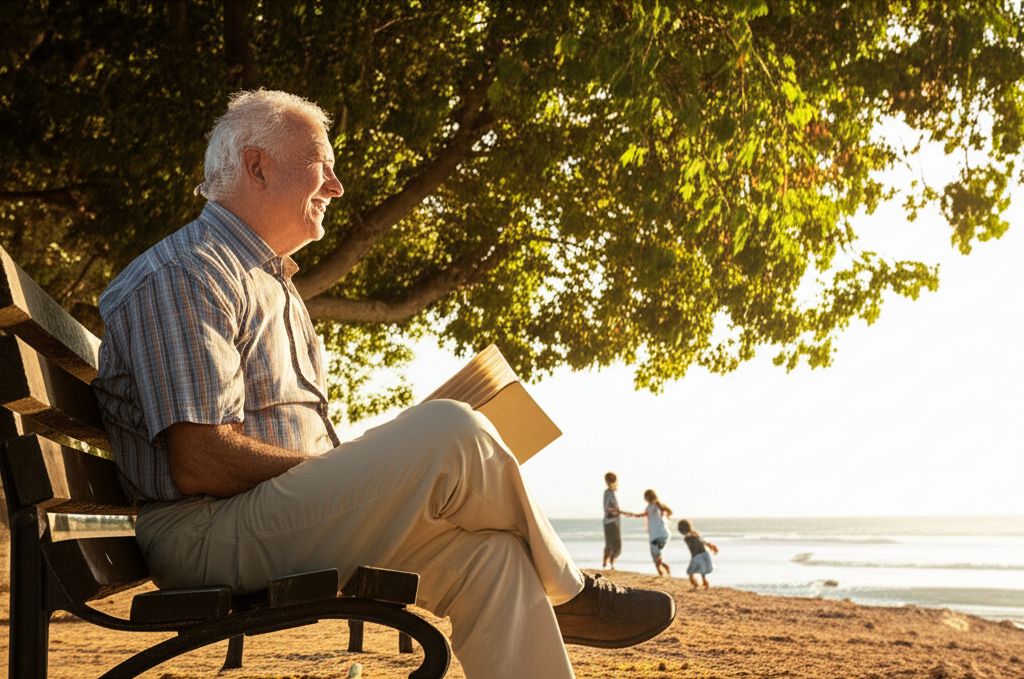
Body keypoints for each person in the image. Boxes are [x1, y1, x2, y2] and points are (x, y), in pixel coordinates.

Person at [91, 89, 675, 678]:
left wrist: (363, 468)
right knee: (451, 428)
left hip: (269, 520)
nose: (338, 187)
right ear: (258, 166)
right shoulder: (189, 272)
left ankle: (555, 597)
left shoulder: (269, 281)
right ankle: (571, 595)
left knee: (491, 557)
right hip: (207, 534)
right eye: (323, 166)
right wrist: (357, 469)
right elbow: (201, 460)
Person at [678, 519, 719, 590]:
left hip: (698, 556)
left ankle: (697, 584)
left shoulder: (691, 536)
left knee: (692, 572)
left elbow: (701, 542)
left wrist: (710, 545)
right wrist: (710, 545)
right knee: (701, 571)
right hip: (703, 554)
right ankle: (703, 584)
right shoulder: (693, 535)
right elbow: (702, 542)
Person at [641, 489, 673, 576]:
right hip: (664, 534)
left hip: (655, 535)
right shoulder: (659, 506)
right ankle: (663, 569)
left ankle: (662, 570)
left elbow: (643, 515)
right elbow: (670, 512)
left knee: (655, 555)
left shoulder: (650, 507)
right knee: (658, 553)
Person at [602, 472, 623, 569]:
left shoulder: (609, 493)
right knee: (614, 544)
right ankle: (610, 563)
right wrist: (616, 511)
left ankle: (607, 563)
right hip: (612, 521)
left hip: (610, 521)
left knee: (610, 543)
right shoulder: (610, 493)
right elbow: (608, 508)